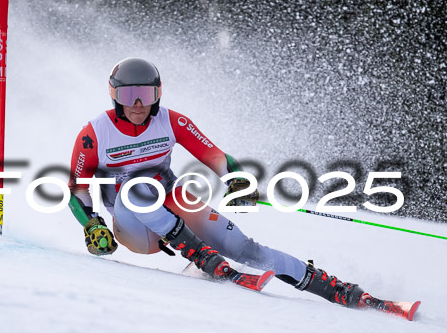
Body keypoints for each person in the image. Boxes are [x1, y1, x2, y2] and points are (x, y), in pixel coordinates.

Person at [67, 57, 373, 309]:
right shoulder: (94, 134)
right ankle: (202, 256)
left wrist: (237, 180)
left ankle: (332, 287)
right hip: (133, 226)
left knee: (242, 246)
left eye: (146, 96)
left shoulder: (172, 122)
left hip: (171, 204)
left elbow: (213, 155)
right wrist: (92, 225)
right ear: (114, 96)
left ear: (157, 95)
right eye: (127, 96)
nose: (137, 105)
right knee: (135, 187)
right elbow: (77, 190)